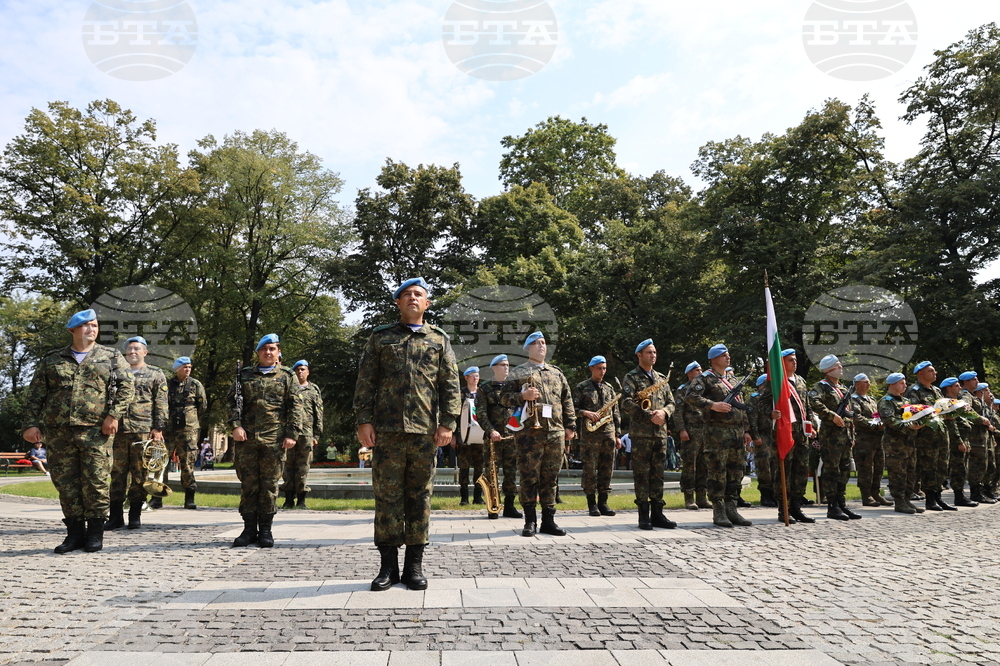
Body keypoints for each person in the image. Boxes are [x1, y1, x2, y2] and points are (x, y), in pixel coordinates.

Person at [353, 278, 460, 592]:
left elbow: (450, 386)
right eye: (407, 294)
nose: (413, 298)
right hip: (386, 432)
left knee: (419, 499)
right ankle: (388, 567)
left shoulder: (439, 340)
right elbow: (365, 383)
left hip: (425, 433)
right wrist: (363, 421)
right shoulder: (380, 338)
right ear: (398, 303)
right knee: (387, 499)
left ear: (426, 304)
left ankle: (414, 567)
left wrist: (447, 423)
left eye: (419, 294)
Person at [21, 309, 135, 554]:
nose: (91, 329)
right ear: (72, 330)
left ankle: (95, 534)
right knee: (66, 484)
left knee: (95, 482)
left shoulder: (111, 356)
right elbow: (35, 396)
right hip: (59, 433)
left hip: (97, 431)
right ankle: (74, 535)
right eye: (86, 326)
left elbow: (127, 387)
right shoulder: (52, 359)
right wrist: (30, 424)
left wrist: (113, 415)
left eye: (94, 325)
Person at [228, 334, 303, 548]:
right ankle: (249, 528)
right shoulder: (243, 375)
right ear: (258, 352)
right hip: (247, 439)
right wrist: (235, 426)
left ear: (278, 352)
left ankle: (266, 530)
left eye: (272, 349)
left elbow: (296, 407)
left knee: (269, 485)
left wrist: (292, 434)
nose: (268, 352)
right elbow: (232, 403)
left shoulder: (288, 376)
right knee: (249, 485)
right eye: (264, 349)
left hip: (275, 439)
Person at [501, 331, 576, 538]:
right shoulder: (519, 372)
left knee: (550, 478)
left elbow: (567, 400)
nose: (541, 346)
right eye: (536, 343)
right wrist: (522, 395)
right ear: (528, 348)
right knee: (528, 477)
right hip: (528, 435)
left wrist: (570, 426)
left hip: (555, 432)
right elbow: (504, 398)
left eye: (543, 343)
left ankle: (549, 520)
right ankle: (530, 520)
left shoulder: (556, 373)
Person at [684, 344, 752, 528]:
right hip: (716, 433)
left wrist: (746, 431)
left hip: (737, 433)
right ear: (714, 359)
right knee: (717, 472)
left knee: (736, 471)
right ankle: (719, 510)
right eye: (723, 355)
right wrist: (712, 405)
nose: (727, 358)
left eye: (728, 355)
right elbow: (690, 396)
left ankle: (732, 509)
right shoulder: (704, 378)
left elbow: (741, 405)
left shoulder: (732, 378)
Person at [106, 336, 168, 530]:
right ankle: (115, 516)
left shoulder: (155, 374)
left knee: (140, 474)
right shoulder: (115, 374)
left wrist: (158, 428)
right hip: (118, 430)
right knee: (117, 474)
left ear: (145, 352)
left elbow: (161, 402)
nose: (132, 352)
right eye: (129, 349)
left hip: (143, 431)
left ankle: (135, 515)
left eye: (136, 349)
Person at [622, 340, 677, 530]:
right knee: (642, 475)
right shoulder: (631, 377)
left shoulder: (661, 378)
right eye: (648, 352)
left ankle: (658, 514)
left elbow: (671, 402)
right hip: (641, 435)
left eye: (654, 352)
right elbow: (626, 403)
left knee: (658, 475)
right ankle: (643, 516)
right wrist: (648, 415)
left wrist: (664, 413)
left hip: (660, 434)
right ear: (639, 355)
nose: (653, 355)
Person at [761, 349, 816, 524]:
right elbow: (761, 403)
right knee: (785, 471)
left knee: (801, 472)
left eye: (795, 360)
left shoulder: (800, 381)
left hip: (801, 434)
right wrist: (771, 413)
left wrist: (811, 424)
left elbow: (806, 406)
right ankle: (783, 509)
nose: (794, 362)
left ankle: (796, 507)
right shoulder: (775, 382)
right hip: (785, 433)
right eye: (790, 360)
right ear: (782, 364)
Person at [808, 355, 862, 521]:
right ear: (828, 369)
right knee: (832, 470)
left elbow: (849, 413)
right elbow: (813, 401)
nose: (841, 368)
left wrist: (852, 435)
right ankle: (832, 506)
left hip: (845, 436)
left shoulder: (844, 389)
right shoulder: (821, 387)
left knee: (845, 470)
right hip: (831, 436)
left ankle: (841, 503)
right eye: (837, 366)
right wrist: (831, 415)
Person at [573, 355, 622, 517]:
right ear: (591, 368)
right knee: (589, 470)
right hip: (590, 435)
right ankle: (591, 503)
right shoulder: (582, 387)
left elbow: (616, 413)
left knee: (607, 469)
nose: (602, 371)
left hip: (608, 433)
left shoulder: (609, 388)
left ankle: (603, 502)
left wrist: (617, 435)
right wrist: (585, 412)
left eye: (604, 368)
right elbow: (572, 408)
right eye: (599, 368)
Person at [475, 354, 521, 520]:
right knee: (491, 472)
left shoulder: (514, 388)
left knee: (511, 472)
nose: (506, 368)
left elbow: (520, 411)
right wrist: (491, 431)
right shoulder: (485, 388)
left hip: (511, 437)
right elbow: (480, 414)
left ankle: (509, 506)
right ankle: (492, 506)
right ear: (494, 368)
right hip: (493, 438)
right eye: (502, 365)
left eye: (508, 365)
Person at [162, 357, 208, 510]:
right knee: (162, 462)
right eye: (184, 367)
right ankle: (158, 495)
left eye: (189, 367)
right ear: (177, 369)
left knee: (187, 462)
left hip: (188, 430)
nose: (187, 369)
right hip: (168, 429)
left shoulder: (195, 385)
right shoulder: (167, 384)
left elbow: (202, 406)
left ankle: (189, 496)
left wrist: (191, 419)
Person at [880, 372, 924, 514]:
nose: (905, 385)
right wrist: (908, 426)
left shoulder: (905, 401)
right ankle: (899, 501)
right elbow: (889, 420)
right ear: (892, 384)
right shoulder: (886, 401)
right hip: (895, 444)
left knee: (910, 473)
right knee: (897, 473)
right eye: (902, 383)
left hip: (909, 442)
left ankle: (907, 499)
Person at [283, 360, 324, 509]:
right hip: (288, 434)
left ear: (308, 372)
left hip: (307, 434)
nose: (300, 372)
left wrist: (316, 435)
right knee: (287, 467)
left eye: (302, 369)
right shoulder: (288, 388)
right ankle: (288, 500)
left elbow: (318, 413)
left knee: (303, 468)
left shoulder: (314, 389)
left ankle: (301, 500)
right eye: (297, 370)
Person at [673, 361, 710, 510]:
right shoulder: (683, 390)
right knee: (690, 465)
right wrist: (681, 429)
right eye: (697, 370)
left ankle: (702, 496)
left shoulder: (706, 389)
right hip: (690, 431)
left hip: (706, 431)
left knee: (704, 464)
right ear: (689, 374)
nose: (700, 373)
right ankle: (689, 497)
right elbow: (678, 411)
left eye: (701, 370)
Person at [849, 374, 890, 507]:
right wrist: (875, 425)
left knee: (879, 467)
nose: (869, 384)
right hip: (864, 440)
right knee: (866, 468)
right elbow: (857, 417)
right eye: (865, 382)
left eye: (869, 382)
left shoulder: (871, 399)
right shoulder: (854, 400)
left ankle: (876, 493)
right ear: (857, 384)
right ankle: (866, 495)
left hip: (877, 439)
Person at [958, 372, 996, 504]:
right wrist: (981, 419)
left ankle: (980, 492)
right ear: (966, 382)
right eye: (974, 380)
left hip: (981, 437)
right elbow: (965, 410)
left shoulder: (972, 396)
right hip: (974, 438)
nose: (977, 381)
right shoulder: (965, 395)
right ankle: (976, 493)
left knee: (983, 465)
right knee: (977, 466)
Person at [939, 377, 976, 507]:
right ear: (948, 388)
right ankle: (958, 496)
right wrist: (959, 441)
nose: (960, 388)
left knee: (962, 468)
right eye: (956, 386)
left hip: (963, 438)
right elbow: (952, 424)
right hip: (955, 439)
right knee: (957, 469)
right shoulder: (946, 403)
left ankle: (960, 495)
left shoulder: (957, 402)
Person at [455, 367, 485, 506]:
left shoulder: (482, 393)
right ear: (466, 377)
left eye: (477, 376)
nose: (476, 378)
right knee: (464, 466)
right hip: (464, 435)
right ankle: (464, 497)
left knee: (480, 466)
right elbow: (455, 416)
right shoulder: (460, 394)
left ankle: (478, 496)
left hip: (480, 436)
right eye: (473, 376)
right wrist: (454, 436)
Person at [747, 374, 776, 507]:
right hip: (762, 435)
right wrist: (755, 435)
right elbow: (752, 418)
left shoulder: (775, 398)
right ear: (760, 385)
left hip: (775, 435)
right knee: (764, 466)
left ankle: (775, 494)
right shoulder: (755, 398)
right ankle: (765, 494)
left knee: (775, 465)